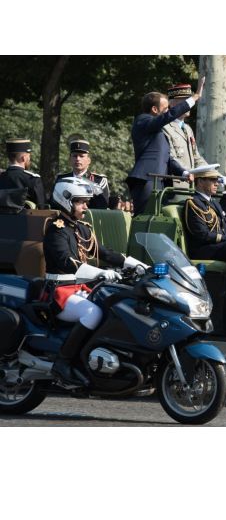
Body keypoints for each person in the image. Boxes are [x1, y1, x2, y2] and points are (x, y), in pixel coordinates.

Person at [43, 177, 146, 385]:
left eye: (85, 202)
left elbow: (104, 253)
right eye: (80, 202)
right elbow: (66, 261)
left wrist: (136, 264)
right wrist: (99, 273)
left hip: (79, 288)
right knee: (93, 312)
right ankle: (62, 364)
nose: (85, 206)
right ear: (66, 201)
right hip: (60, 291)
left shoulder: (81, 227)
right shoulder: (56, 228)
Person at [126, 77, 205, 215]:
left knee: (157, 222)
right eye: (166, 108)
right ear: (155, 109)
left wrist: (183, 172)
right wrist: (195, 97)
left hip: (159, 182)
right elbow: (168, 117)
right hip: (147, 180)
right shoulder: (143, 120)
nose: (169, 111)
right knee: (145, 220)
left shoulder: (157, 132)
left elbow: (166, 157)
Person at [184, 168, 226, 264]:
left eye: (217, 180)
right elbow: (202, 234)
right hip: (204, 250)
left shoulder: (214, 203)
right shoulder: (193, 203)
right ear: (200, 181)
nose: (217, 184)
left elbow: (225, 227)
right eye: (212, 180)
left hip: (217, 246)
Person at [163, 83, 209, 187]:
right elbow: (171, 158)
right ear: (172, 105)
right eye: (185, 101)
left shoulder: (188, 129)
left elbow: (196, 157)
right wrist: (186, 172)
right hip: (175, 184)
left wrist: (212, 173)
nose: (189, 105)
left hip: (190, 185)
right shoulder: (165, 127)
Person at [53, 139, 109, 209]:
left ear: (89, 160)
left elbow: (102, 206)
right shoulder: (61, 179)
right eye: (75, 156)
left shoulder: (98, 180)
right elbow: (54, 203)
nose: (78, 159)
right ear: (70, 159)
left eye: (81, 156)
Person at [0, 138, 46, 208]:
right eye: (29, 157)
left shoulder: (1, 177)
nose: (29, 159)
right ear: (24, 158)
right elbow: (42, 210)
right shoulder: (33, 180)